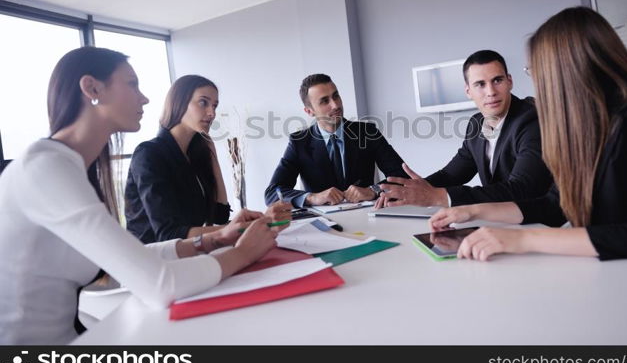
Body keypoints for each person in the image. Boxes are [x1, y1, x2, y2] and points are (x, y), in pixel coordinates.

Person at [0, 47, 282, 344]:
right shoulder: (46, 168)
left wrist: (213, 240)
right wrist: (242, 253)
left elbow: (128, 254)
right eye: (132, 84)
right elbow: (161, 285)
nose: (144, 98)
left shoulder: (72, 168)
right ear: (92, 88)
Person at [429, 7, 627, 281]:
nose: (536, 78)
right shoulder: (588, 123)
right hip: (617, 273)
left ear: (571, 66)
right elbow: (555, 205)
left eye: (535, 68)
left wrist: (523, 240)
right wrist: (474, 211)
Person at [376, 50, 551, 209]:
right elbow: (451, 175)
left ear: (509, 81)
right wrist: (409, 192)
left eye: (497, 80)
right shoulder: (476, 124)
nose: (490, 92)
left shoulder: (531, 119)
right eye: (480, 84)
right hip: (498, 222)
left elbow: (522, 188)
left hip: (537, 223)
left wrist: (441, 197)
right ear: (468, 91)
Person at [125, 75, 289, 243]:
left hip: (186, 252)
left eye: (215, 106)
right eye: (203, 102)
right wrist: (253, 226)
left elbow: (220, 214)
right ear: (179, 102)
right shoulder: (149, 153)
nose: (212, 113)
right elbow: (169, 234)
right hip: (151, 257)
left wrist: (212, 153)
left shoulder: (194, 153)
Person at [265, 73, 408, 207]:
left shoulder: (368, 132)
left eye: (336, 96)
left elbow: (404, 177)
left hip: (368, 218)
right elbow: (272, 193)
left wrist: (373, 190)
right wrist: (312, 197)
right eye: (324, 101)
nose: (336, 105)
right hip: (324, 225)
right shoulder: (299, 142)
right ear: (309, 111)